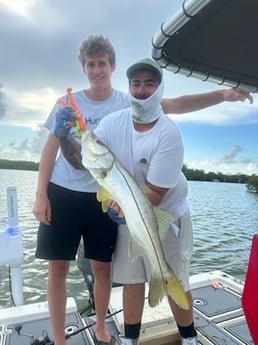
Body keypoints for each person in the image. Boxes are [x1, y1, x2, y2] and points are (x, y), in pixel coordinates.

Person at [33, 33, 253, 345]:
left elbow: (175, 105)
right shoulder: (80, 107)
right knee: (93, 273)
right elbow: (65, 152)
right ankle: (87, 339)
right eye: (90, 64)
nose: (96, 70)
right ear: (83, 67)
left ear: (112, 66)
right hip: (89, 195)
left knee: (124, 271)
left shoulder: (142, 111)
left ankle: (150, 334)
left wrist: (222, 94)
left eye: (102, 64)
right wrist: (43, 190)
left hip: (130, 201)